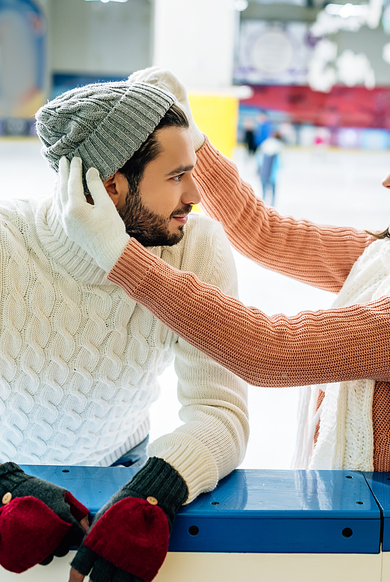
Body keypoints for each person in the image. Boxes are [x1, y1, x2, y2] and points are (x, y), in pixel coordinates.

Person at [57, 68, 390, 480]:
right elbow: (265, 234)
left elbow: (271, 350)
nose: (389, 179)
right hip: (349, 509)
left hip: (387, 536)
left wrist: (121, 257)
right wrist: (196, 142)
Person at [0, 72, 248, 582]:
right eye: (177, 176)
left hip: (124, 468)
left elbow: (221, 409)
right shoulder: (7, 243)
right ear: (109, 185)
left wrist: (156, 485)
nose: (196, 195)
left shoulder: (196, 246)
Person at [256, 132, 283, 206]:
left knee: (264, 192)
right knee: (273, 191)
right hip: (272, 174)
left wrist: (258, 169)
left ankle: (263, 205)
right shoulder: (278, 146)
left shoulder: (265, 143)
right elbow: (279, 163)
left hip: (263, 173)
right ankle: (272, 205)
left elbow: (258, 158)